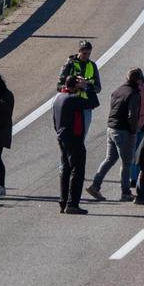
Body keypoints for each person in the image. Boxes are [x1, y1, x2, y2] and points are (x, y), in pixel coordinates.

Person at [88, 68, 144, 203]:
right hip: (124, 131)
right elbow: (132, 115)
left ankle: (95, 185)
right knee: (126, 163)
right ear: (138, 80)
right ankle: (125, 193)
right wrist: (133, 131)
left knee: (109, 159)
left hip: (111, 128)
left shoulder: (118, 90)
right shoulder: (134, 94)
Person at [52, 74, 99, 214]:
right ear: (75, 86)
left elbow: (55, 120)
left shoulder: (58, 97)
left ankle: (63, 202)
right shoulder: (72, 99)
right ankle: (72, 204)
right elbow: (93, 103)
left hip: (62, 136)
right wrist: (87, 87)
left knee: (66, 169)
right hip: (73, 137)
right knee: (77, 170)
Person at [58, 40, 102, 130]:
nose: (87, 56)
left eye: (89, 54)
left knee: (82, 135)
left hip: (85, 105)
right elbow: (59, 86)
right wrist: (72, 86)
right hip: (70, 104)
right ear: (79, 51)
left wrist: (86, 85)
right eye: (84, 53)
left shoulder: (92, 66)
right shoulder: (69, 65)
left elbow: (98, 88)